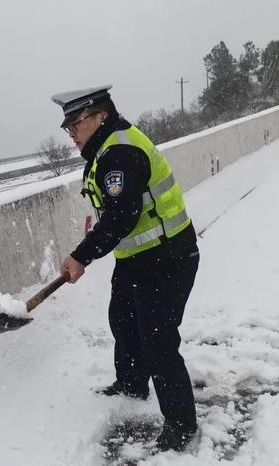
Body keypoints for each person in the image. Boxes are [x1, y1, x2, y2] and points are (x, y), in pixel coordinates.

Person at [51, 84, 200, 452]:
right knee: (123, 319)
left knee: (159, 342)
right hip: (138, 258)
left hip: (167, 257)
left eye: (76, 125)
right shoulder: (106, 146)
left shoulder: (119, 153)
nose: (71, 135)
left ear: (100, 116)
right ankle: (132, 382)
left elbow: (121, 217)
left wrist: (80, 256)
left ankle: (182, 425)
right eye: (67, 128)